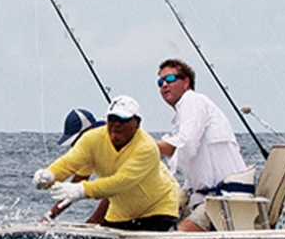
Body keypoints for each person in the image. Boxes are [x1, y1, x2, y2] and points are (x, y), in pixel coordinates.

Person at [33, 95, 179, 231]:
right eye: (112, 118)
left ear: (137, 123)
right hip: (120, 212)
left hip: (157, 209)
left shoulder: (147, 148)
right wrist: (50, 175)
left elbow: (119, 183)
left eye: (123, 119)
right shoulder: (91, 139)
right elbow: (68, 163)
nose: (116, 124)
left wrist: (82, 191)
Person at [155, 58, 247, 232]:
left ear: (186, 82)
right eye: (160, 82)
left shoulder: (192, 100)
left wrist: (145, 147)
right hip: (204, 199)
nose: (164, 85)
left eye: (170, 79)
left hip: (226, 200)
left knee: (180, 236)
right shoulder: (186, 114)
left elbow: (186, 143)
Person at [43, 108, 107, 223]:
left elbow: (114, 190)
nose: (75, 147)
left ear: (90, 130)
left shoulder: (108, 144)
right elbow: (74, 188)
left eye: (76, 141)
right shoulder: (88, 152)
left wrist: (93, 222)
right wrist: (48, 218)